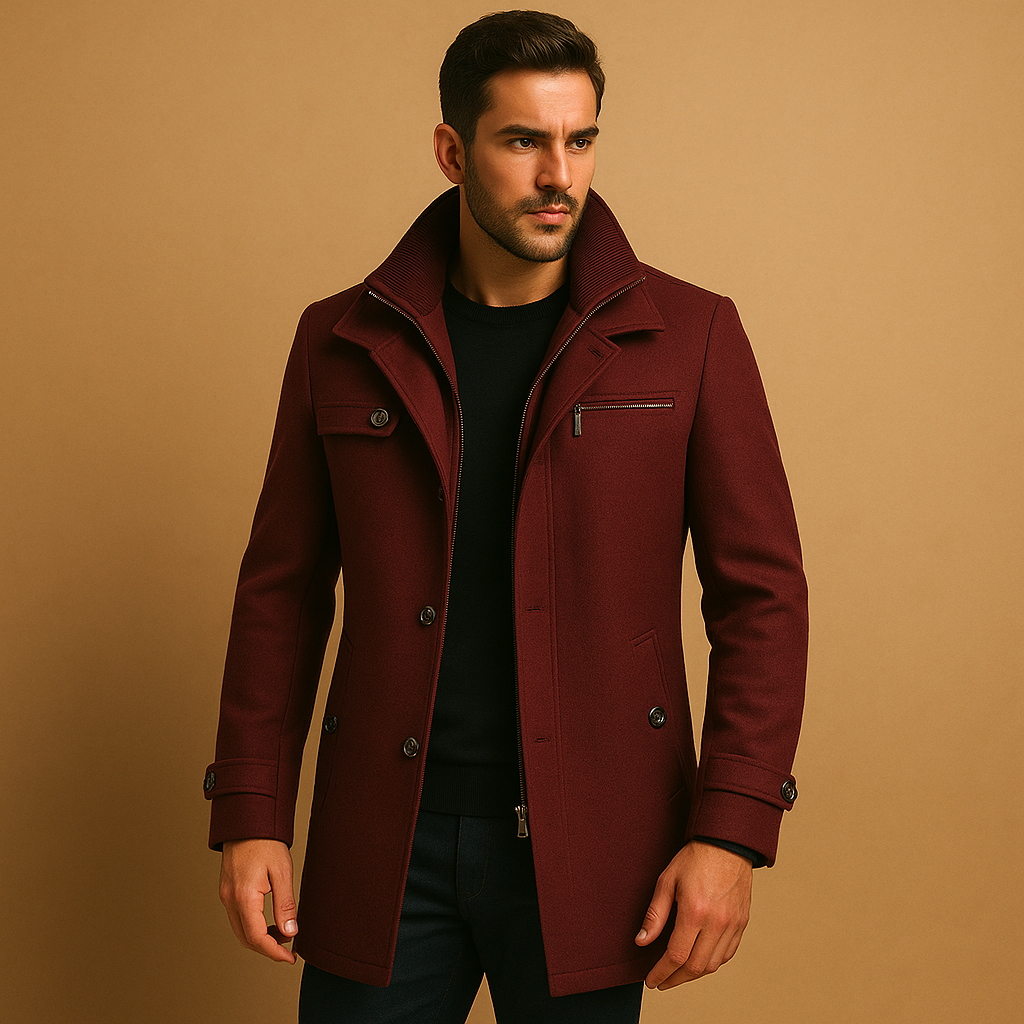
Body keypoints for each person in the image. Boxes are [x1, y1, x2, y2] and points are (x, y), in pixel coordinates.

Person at [205, 10, 808, 1023]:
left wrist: (731, 830)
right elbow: (281, 592)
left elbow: (763, 598)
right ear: (453, 152)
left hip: (598, 849)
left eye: (581, 140)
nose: (559, 175)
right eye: (524, 141)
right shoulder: (338, 341)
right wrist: (250, 812)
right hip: (385, 845)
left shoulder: (691, 335)